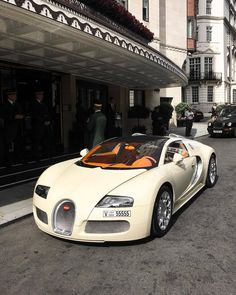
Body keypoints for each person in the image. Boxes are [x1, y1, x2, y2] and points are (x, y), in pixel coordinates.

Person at [1, 88, 24, 165]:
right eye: (13, 95)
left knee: (18, 144)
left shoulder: (18, 104)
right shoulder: (4, 105)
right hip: (9, 128)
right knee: (8, 145)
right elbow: (3, 115)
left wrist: (21, 116)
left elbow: (22, 112)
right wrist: (14, 116)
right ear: (9, 96)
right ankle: (8, 161)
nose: (15, 96)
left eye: (15, 94)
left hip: (18, 127)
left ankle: (18, 159)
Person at [30, 89, 51, 160]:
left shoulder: (43, 104)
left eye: (42, 95)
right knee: (36, 141)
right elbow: (35, 115)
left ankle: (44, 154)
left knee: (44, 140)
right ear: (37, 95)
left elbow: (47, 114)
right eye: (40, 95)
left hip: (44, 126)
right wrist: (43, 121)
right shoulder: (33, 104)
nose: (42, 96)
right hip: (37, 126)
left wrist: (48, 120)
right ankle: (35, 155)